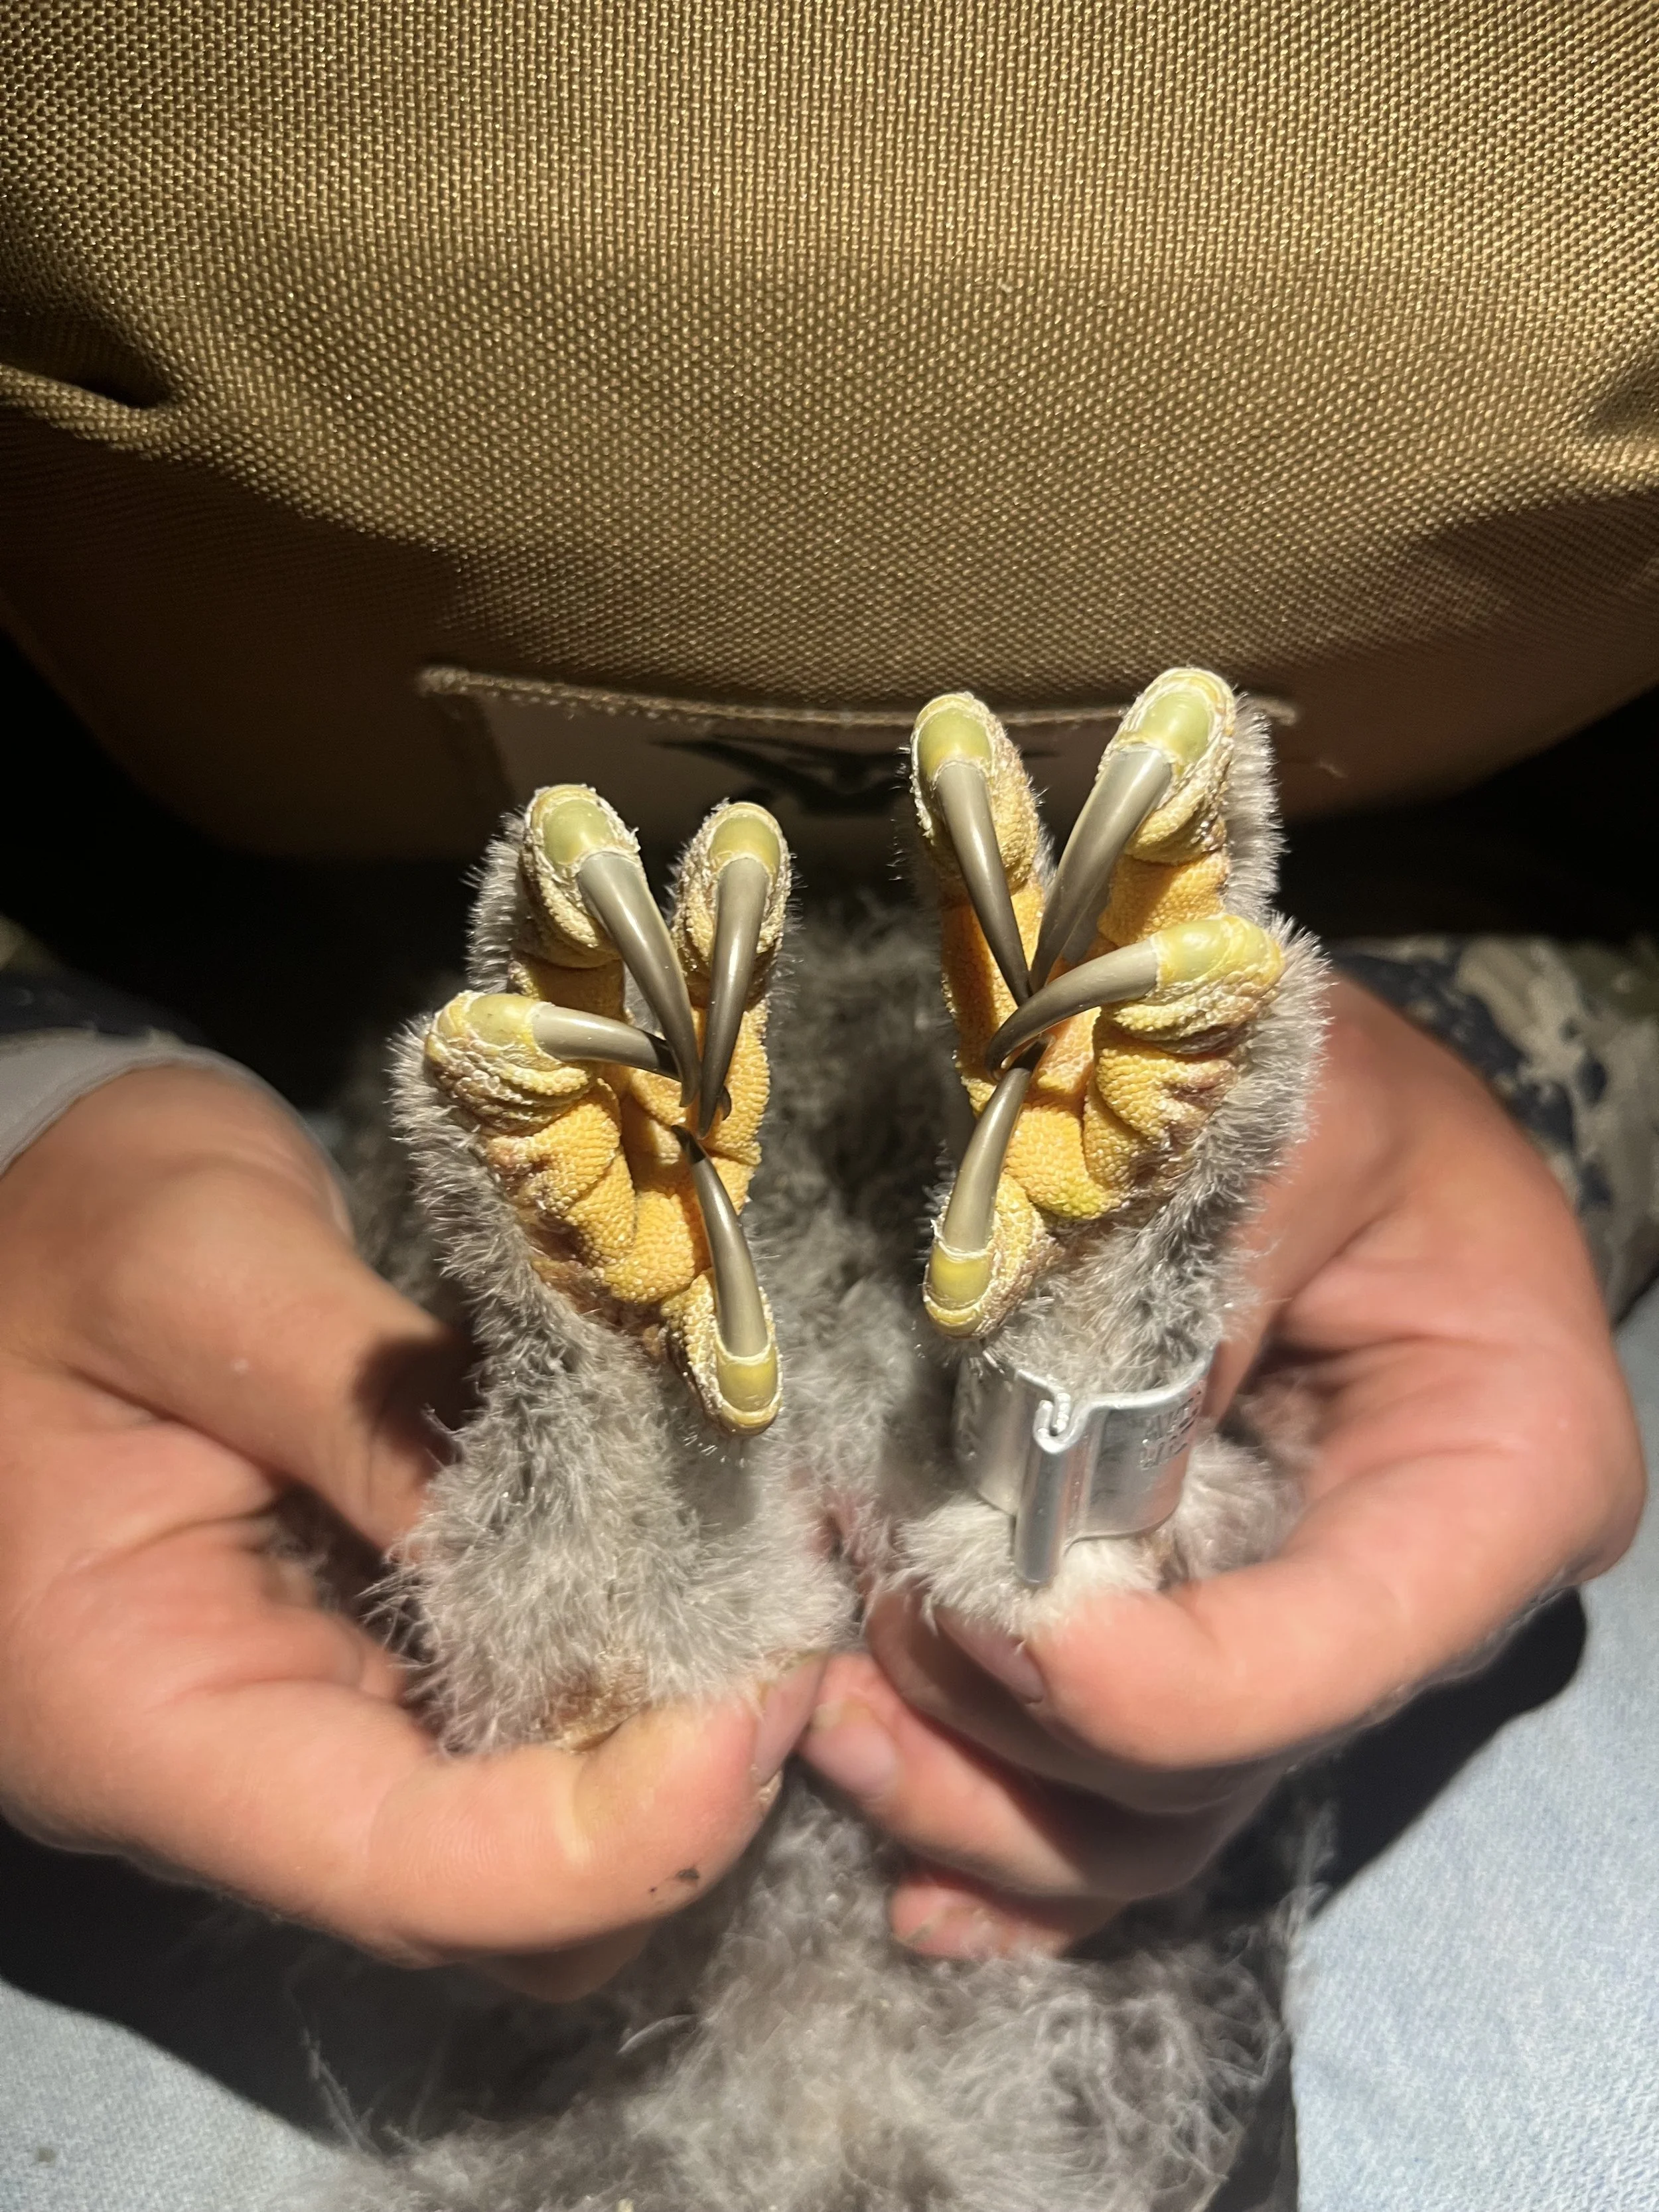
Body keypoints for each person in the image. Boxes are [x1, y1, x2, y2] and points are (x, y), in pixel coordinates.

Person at [1, 6, 1656, 2204]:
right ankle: (1023, 1310)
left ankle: (695, 1356)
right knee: (1060, 1575)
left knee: (728, 1577)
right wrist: (1531, 1058)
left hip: (264, 1050)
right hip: (1330, 961)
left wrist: (38, 1091)